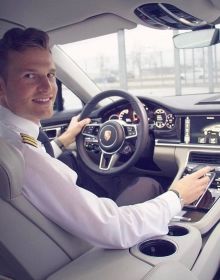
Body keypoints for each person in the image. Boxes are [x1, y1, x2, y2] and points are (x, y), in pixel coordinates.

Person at [0, 27, 212, 249]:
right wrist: (177, 196)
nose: (47, 87)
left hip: (53, 245)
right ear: (1, 86)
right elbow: (114, 228)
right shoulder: (25, 156)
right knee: (148, 185)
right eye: (29, 75)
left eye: (51, 75)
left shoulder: (11, 141)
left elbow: (37, 159)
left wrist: (63, 141)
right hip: (87, 253)